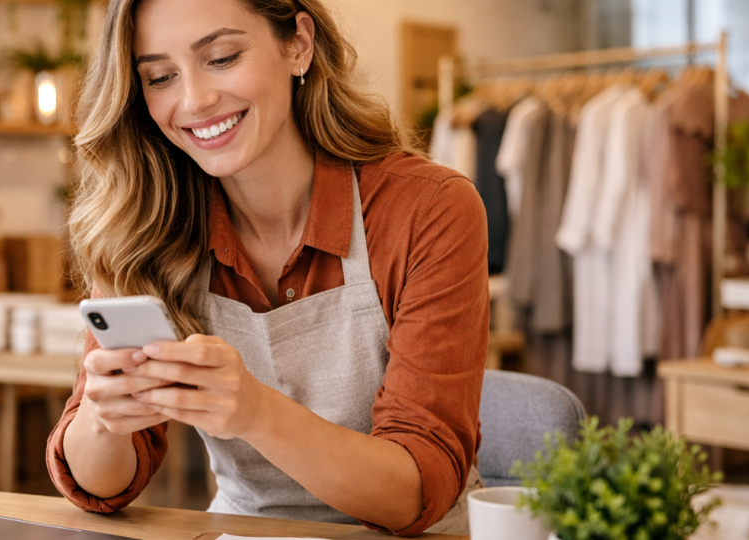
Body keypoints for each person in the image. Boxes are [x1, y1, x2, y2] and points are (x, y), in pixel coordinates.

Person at [46, 0, 488, 535]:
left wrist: (256, 412)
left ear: (298, 44)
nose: (194, 100)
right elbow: (101, 488)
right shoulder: (142, 227)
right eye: (160, 76)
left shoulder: (428, 209)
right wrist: (104, 417)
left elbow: (416, 494)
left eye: (223, 57)